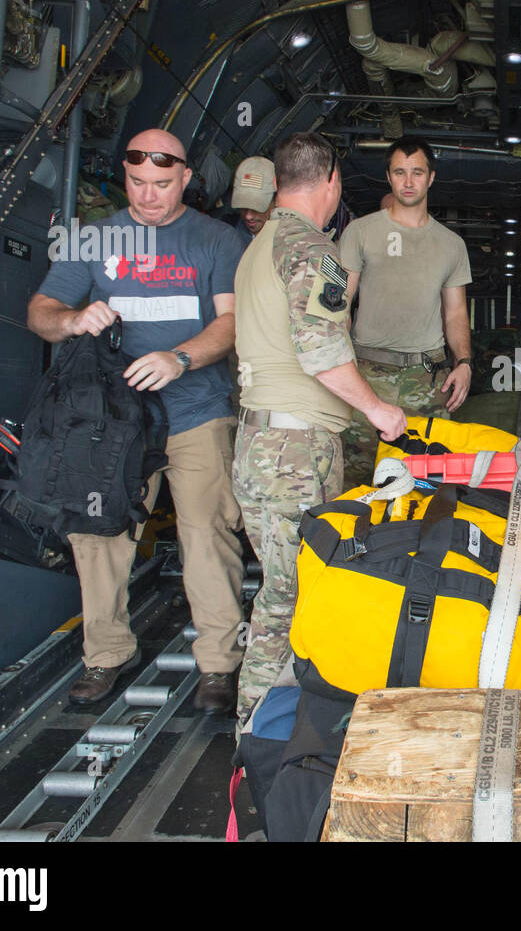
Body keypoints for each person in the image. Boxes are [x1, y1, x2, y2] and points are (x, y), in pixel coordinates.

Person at [27, 129, 247, 713]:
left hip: (196, 409)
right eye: (138, 184)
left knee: (207, 531)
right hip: (112, 420)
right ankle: (106, 654)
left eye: (163, 184)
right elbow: (41, 313)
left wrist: (181, 358)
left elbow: (231, 325)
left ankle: (220, 664)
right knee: (98, 534)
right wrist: (74, 319)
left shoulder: (216, 240)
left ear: (187, 179)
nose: (149, 196)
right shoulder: (92, 240)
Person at [231, 132, 406, 724]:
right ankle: (257, 734)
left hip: (265, 441)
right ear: (331, 181)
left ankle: (277, 725)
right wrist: (381, 412)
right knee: (288, 599)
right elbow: (323, 352)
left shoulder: (260, 245)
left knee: (286, 590)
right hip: (295, 449)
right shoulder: (314, 252)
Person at [337, 137, 473, 487]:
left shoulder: (451, 245)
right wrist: (342, 370)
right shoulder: (360, 232)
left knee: (431, 484)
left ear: (431, 178)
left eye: (417, 172)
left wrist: (464, 363)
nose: (408, 182)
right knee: (357, 481)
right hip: (367, 375)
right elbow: (340, 305)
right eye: (400, 172)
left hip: (425, 379)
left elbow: (455, 313)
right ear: (388, 177)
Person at [231, 156, 276, 238]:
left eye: (257, 208)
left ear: (275, 201)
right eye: (243, 206)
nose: (248, 216)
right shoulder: (230, 232)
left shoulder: (290, 240)